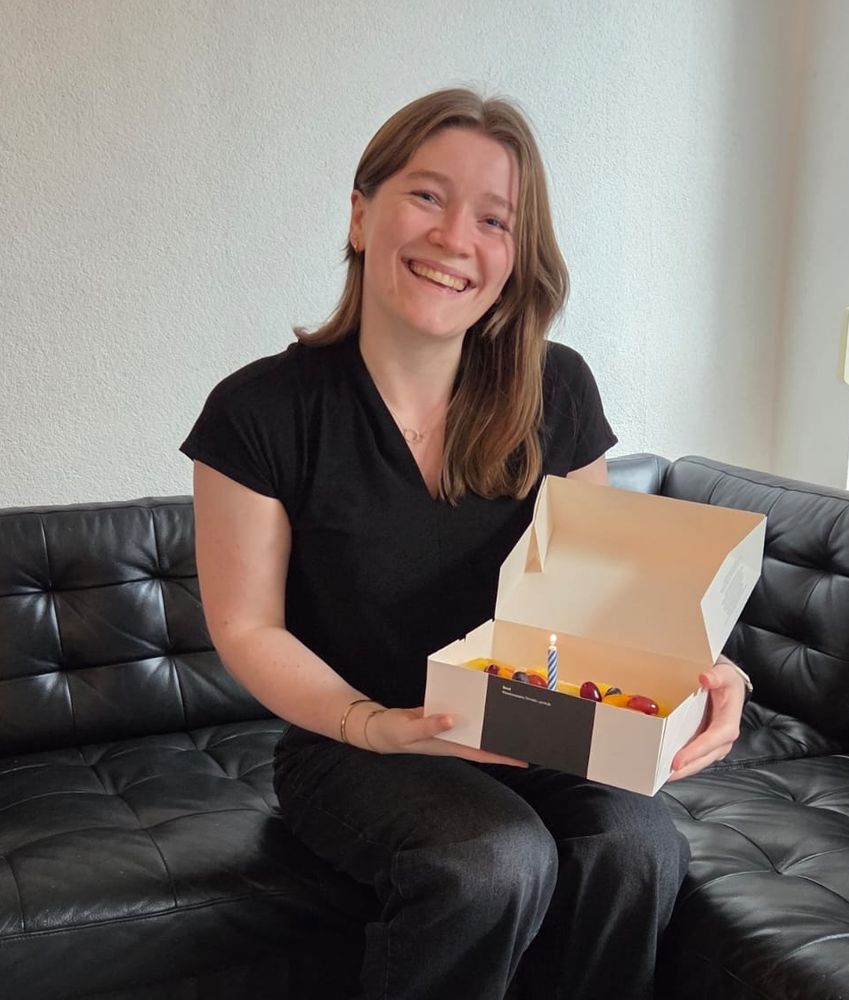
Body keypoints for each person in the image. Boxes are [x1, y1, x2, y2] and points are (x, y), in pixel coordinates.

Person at [180, 88, 748, 1000]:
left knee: (637, 847)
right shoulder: (259, 411)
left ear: (516, 257)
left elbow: (600, 598)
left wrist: (700, 671)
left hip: (536, 722)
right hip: (351, 737)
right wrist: (377, 723)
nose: (454, 239)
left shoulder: (558, 388)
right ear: (361, 215)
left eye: (494, 219)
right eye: (426, 196)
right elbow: (249, 627)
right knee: (494, 859)